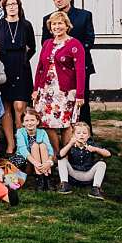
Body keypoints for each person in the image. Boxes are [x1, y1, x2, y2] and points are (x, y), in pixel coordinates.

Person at [32, 11, 86, 151]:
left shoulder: (75, 44)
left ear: (67, 25)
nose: (57, 27)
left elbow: (80, 71)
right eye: (54, 24)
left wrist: (80, 94)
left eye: (60, 23)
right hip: (46, 90)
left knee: (65, 124)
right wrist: (35, 89)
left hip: (66, 91)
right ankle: (56, 153)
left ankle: (66, 154)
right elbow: (40, 68)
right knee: (46, 123)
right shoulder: (47, 43)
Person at [42, 0, 95, 120]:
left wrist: (72, 53)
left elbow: (89, 40)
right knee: (57, 102)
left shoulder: (84, 15)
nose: (58, 0)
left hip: (80, 66)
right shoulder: (48, 19)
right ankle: (63, 132)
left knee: (81, 101)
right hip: (57, 68)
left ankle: (85, 134)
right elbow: (45, 43)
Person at [0, 0, 36, 155]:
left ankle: (21, 143)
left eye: (14, 4)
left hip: (21, 67)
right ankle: (10, 144)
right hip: (3, 67)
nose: (12, 7)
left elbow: (32, 47)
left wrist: (23, 59)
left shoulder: (26, 25)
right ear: (4, 7)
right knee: (6, 106)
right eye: (8, 4)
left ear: (19, 6)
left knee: (19, 106)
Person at [57, 122, 111, 199]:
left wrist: (95, 149)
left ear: (88, 135)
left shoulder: (92, 144)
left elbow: (108, 154)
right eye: (78, 133)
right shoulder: (70, 145)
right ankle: (64, 185)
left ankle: (96, 188)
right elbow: (59, 155)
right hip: (73, 174)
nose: (81, 135)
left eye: (84, 133)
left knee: (102, 164)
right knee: (61, 160)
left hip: (88, 174)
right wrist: (70, 144)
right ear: (73, 135)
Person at [14, 109, 56, 188]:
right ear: (23, 123)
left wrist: (48, 162)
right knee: (35, 146)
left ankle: (47, 177)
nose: (29, 123)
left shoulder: (42, 132)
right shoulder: (20, 132)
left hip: (40, 159)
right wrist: (36, 163)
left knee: (42, 146)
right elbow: (23, 149)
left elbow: (49, 149)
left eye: (32, 120)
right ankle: (39, 176)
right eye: (26, 120)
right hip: (25, 158)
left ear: (37, 121)